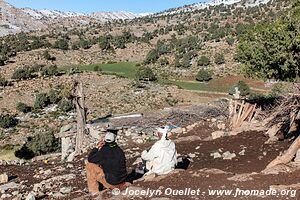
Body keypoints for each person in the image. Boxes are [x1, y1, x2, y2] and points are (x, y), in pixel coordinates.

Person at [85, 129, 128, 194]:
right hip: (122, 180)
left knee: (89, 165)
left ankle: (94, 192)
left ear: (105, 139)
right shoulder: (119, 150)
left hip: (112, 183)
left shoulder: (103, 151)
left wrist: (96, 147)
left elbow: (90, 159)